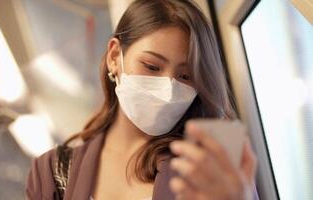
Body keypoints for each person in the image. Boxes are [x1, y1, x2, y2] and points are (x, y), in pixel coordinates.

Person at [26, 0, 259, 199]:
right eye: (152, 66)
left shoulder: (212, 164)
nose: (168, 90)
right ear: (115, 57)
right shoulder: (53, 173)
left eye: (185, 76)